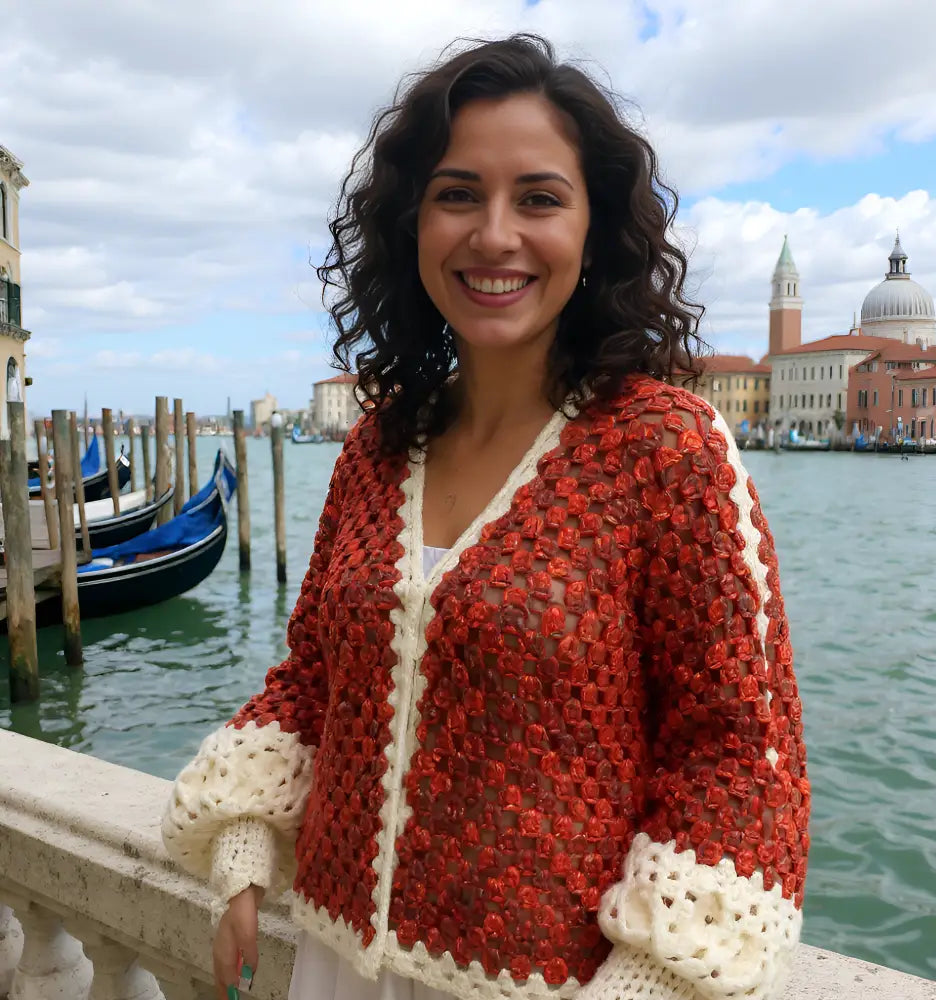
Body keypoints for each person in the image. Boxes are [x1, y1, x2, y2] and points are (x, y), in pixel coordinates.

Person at [163, 34, 809, 1000]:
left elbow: (740, 757)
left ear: (594, 229)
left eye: (539, 198)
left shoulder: (668, 450)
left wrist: (647, 982)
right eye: (459, 194)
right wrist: (247, 839)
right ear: (413, 221)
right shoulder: (378, 448)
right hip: (336, 962)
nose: (495, 235)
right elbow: (314, 680)